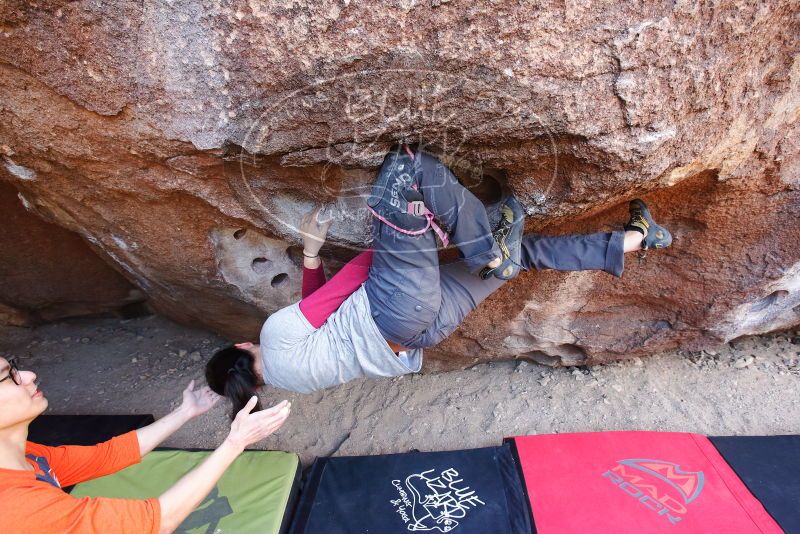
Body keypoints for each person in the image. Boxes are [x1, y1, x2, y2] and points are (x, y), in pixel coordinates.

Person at [206, 145, 672, 410]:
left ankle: (634, 239)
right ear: (241, 347)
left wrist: (310, 256)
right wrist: (403, 241)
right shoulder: (273, 334)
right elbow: (342, 290)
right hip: (396, 302)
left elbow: (319, 311)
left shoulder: (294, 377)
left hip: (419, 331)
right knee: (406, 169)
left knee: (521, 252)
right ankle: (487, 251)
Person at [0, 356, 290, 533]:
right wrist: (235, 442)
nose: (27, 375)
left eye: (14, 367)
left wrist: (184, 412)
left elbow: (106, 456)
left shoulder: (24, 455)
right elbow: (156, 522)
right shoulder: (16, 508)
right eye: (7, 377)